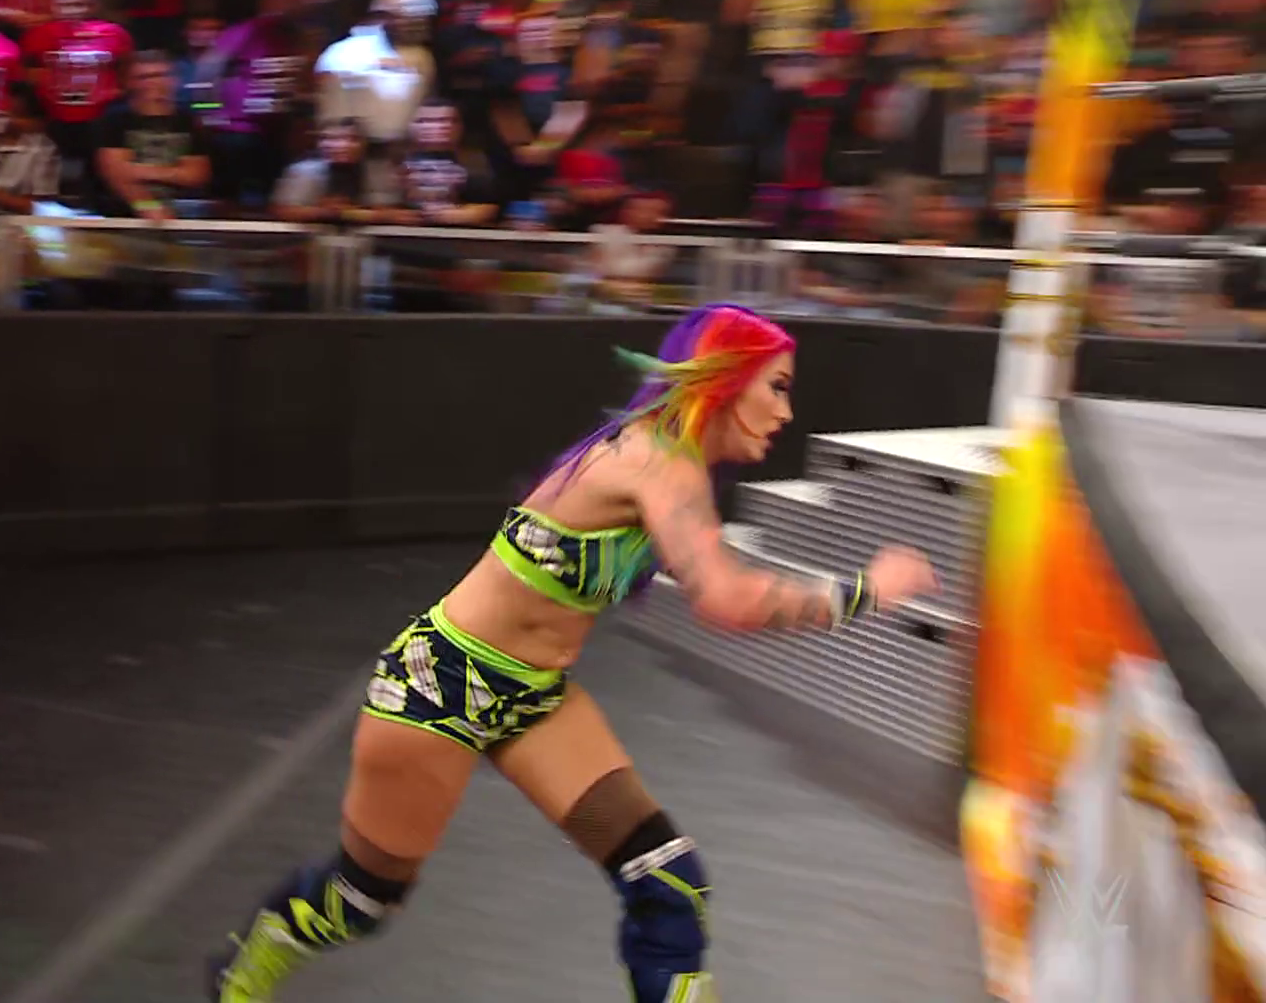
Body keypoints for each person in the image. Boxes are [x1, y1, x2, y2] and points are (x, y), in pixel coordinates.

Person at [208, 304, 938, 1003]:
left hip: (532, 697)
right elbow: (726, 598)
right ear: (725, 379)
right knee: (364, 899)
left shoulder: (668, 462)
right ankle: (242, 971)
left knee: (667, 882)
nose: (785, 411)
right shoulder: (656, 463)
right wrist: (866, 592)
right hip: (439, 688)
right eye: (775, 387)